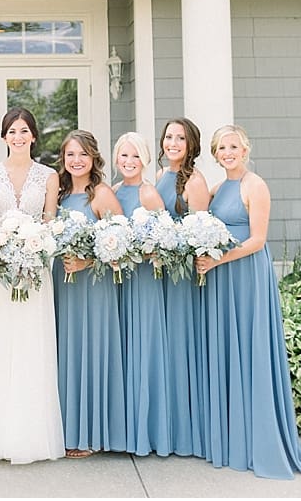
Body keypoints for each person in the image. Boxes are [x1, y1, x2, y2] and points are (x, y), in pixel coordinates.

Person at [196, 126, 301, 479]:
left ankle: (258, 439)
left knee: (250, 349)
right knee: (228, 352)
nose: (227, 153)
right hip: (220, 278)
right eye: (221, 148)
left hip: (245, 275)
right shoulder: (217, 189)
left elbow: (258, 240)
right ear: (215, 154)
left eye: (233, 147)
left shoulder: (255, 185)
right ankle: (232, 438)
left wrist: (217, 259)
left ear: (245, 150)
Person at [0, 107, 64, 463]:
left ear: (33, 136)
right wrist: (1, 248)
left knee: (32, 347)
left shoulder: (49, 176)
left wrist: (34, 246)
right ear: (3, 137)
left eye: (24, 131)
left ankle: (31, 436)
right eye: (11, 132)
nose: (18, 137)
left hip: (36, 273)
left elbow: (50, 222)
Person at [53, 130, 126, 459]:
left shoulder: (102, 194)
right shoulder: (58, 194)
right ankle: (66, 429)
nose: (76, 160)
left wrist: (86, 260)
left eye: (82, 154)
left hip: (92, 287)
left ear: (94, 158)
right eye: (70, 154)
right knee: (65, 354)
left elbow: (123, 246)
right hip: (61, 285)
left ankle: (91, 434)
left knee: (90, 353)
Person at [111, 132, 172, 457]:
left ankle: (146, 431)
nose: (129, 162)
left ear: (145, 160)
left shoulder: (149, 193)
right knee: (123, 349)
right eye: (124, 156)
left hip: (144, 280)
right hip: (117, 280)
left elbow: (164, 240)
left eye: (135, 157)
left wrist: (137, 251)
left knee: (142, 349)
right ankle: (123, 427)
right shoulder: (115, 190)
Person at [155, 118, 210, 459]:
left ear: (191, 145)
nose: (173, 143)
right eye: (168, 137)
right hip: (161, 274)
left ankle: (185, 430)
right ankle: (168, 426)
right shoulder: (162, 176)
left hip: (182, 278)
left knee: (179, 348)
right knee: (166, 349)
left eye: (180, 138)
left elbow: (201, 233)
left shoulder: (195, 181)